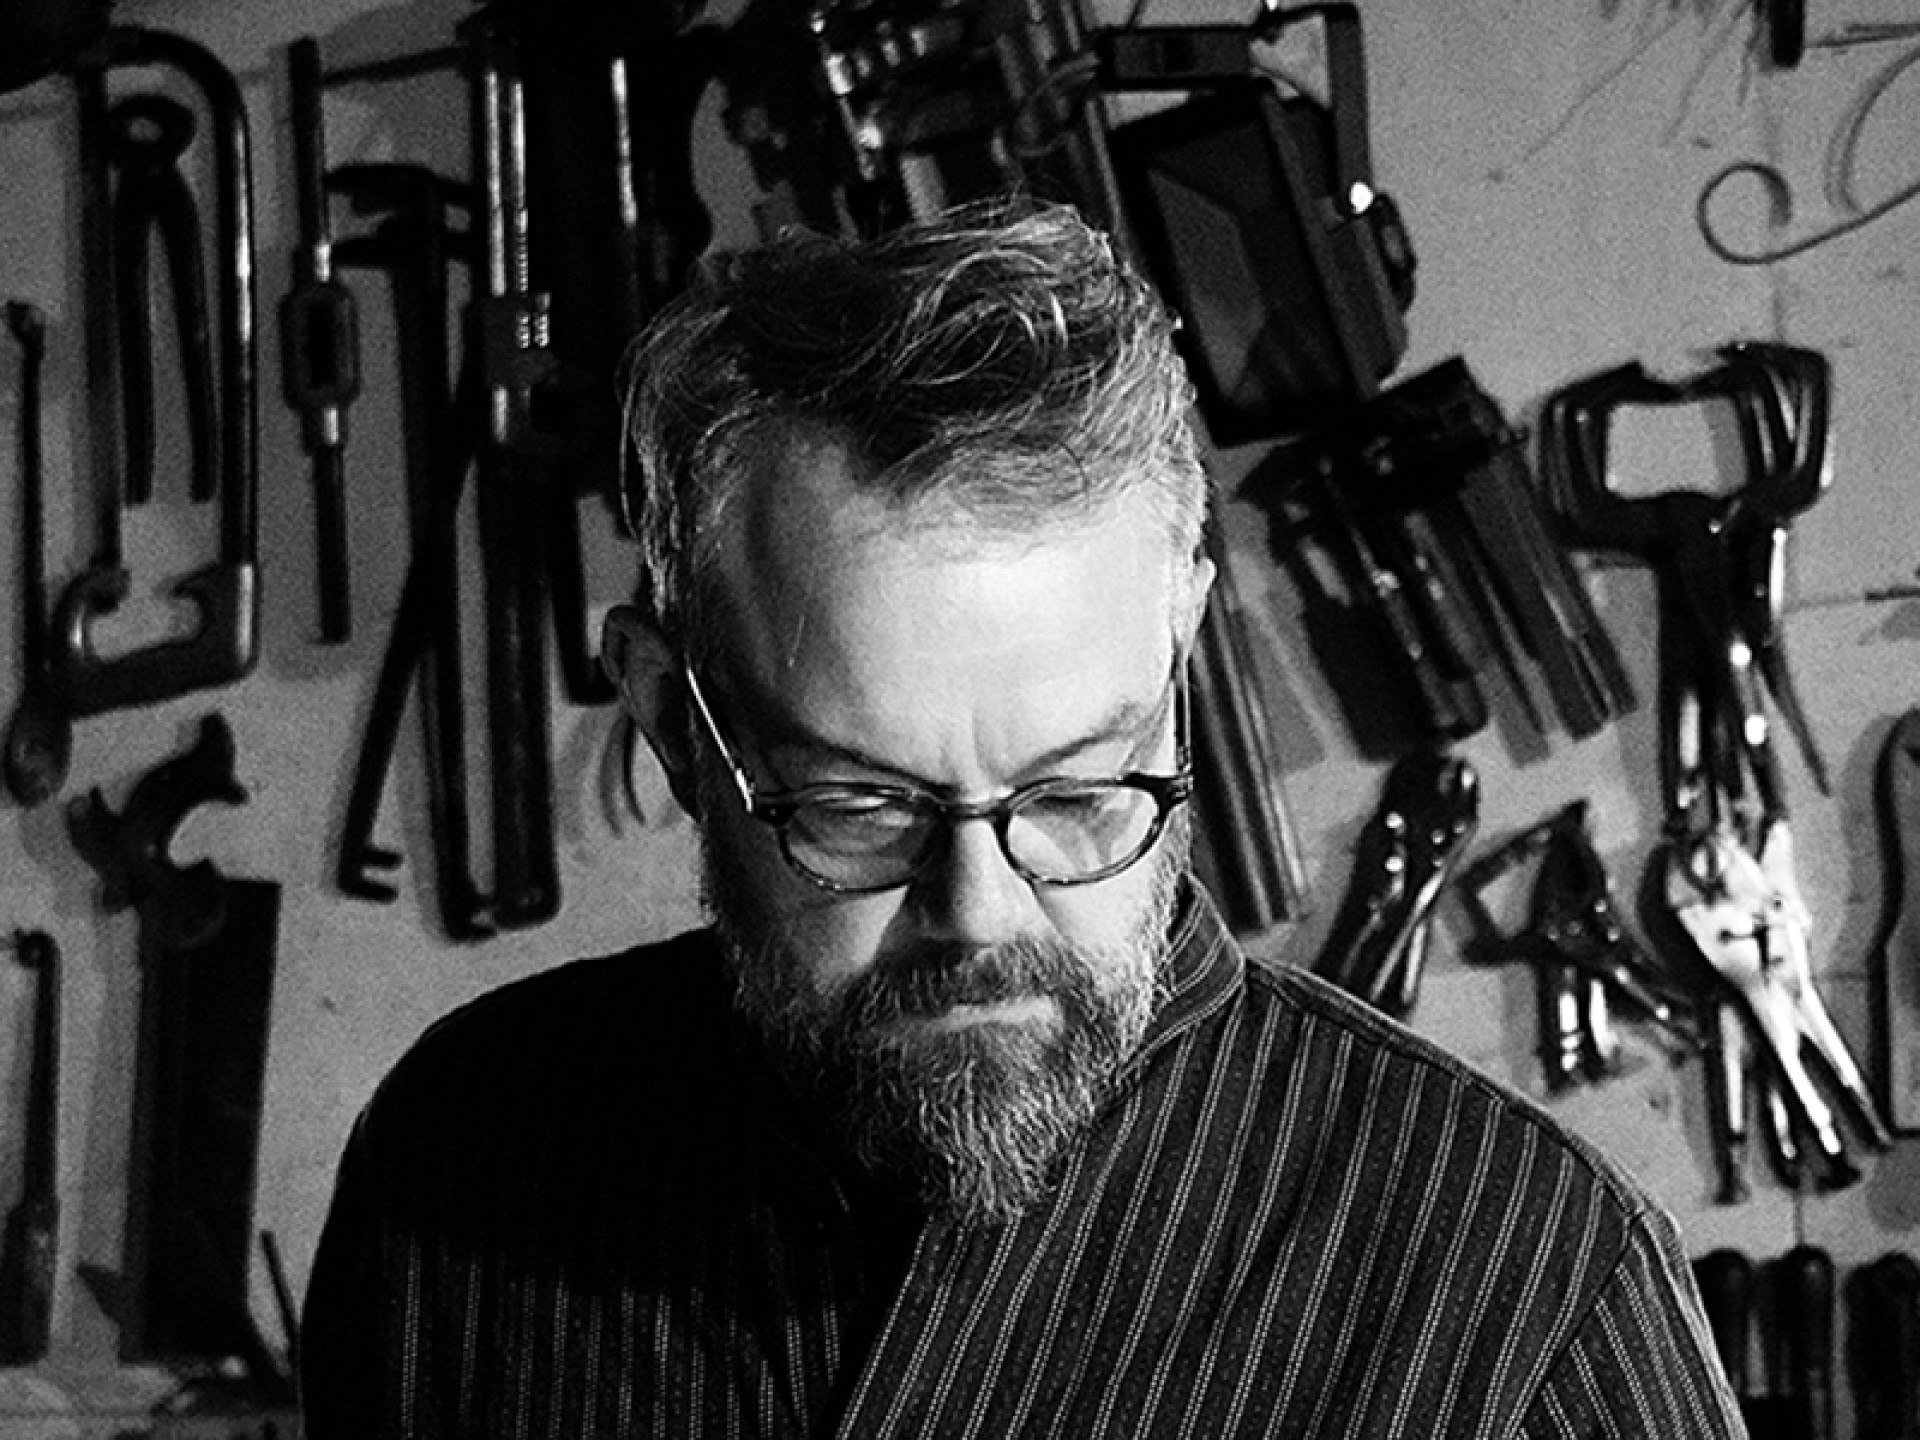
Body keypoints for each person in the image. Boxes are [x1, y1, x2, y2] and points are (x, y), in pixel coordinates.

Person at [299, 199, 1745, 1437]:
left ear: (1180, 660)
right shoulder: (469, 1160)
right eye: (859, 805)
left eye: (1074, 792)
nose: (980, 912)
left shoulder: (1525, 1294)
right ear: (679, 722)